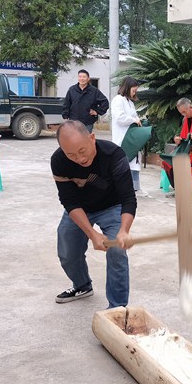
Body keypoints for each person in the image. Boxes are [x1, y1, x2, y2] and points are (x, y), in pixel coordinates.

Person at [51, 120, 136, 306]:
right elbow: (69, 201)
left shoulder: (114, 155)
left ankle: (118, 308)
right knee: (67, 251)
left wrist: (124, 230)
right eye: (71, 155)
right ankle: (82, 285)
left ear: (92, 138)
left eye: (82, 151)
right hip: (80, 209)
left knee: (117, 250)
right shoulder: (58, 161)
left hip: (111, 207)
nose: (80, 159)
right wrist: (92, 233)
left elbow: (128, 198)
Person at [110, 76, 145, 196]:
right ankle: (125, 189)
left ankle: (135, 188)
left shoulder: (130, 102)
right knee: (124, 163)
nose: (135, 92)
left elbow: (134, 116)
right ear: (127, 87)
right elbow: (119, 118)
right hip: (122, 137)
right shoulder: (118, 100)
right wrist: (133, 120)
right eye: (133, 90)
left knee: (134, 163)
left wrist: (137, 120)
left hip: (131, 137)